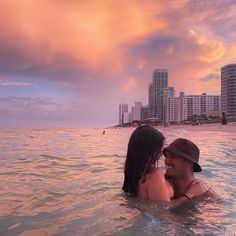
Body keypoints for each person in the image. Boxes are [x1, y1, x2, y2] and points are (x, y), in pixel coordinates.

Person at [122, 125, 173, 201]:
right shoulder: (154, 174)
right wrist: (188, 196)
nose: (161, 154)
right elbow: (164, 209)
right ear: (149, 151)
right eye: (159, 150)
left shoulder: (128, 167)